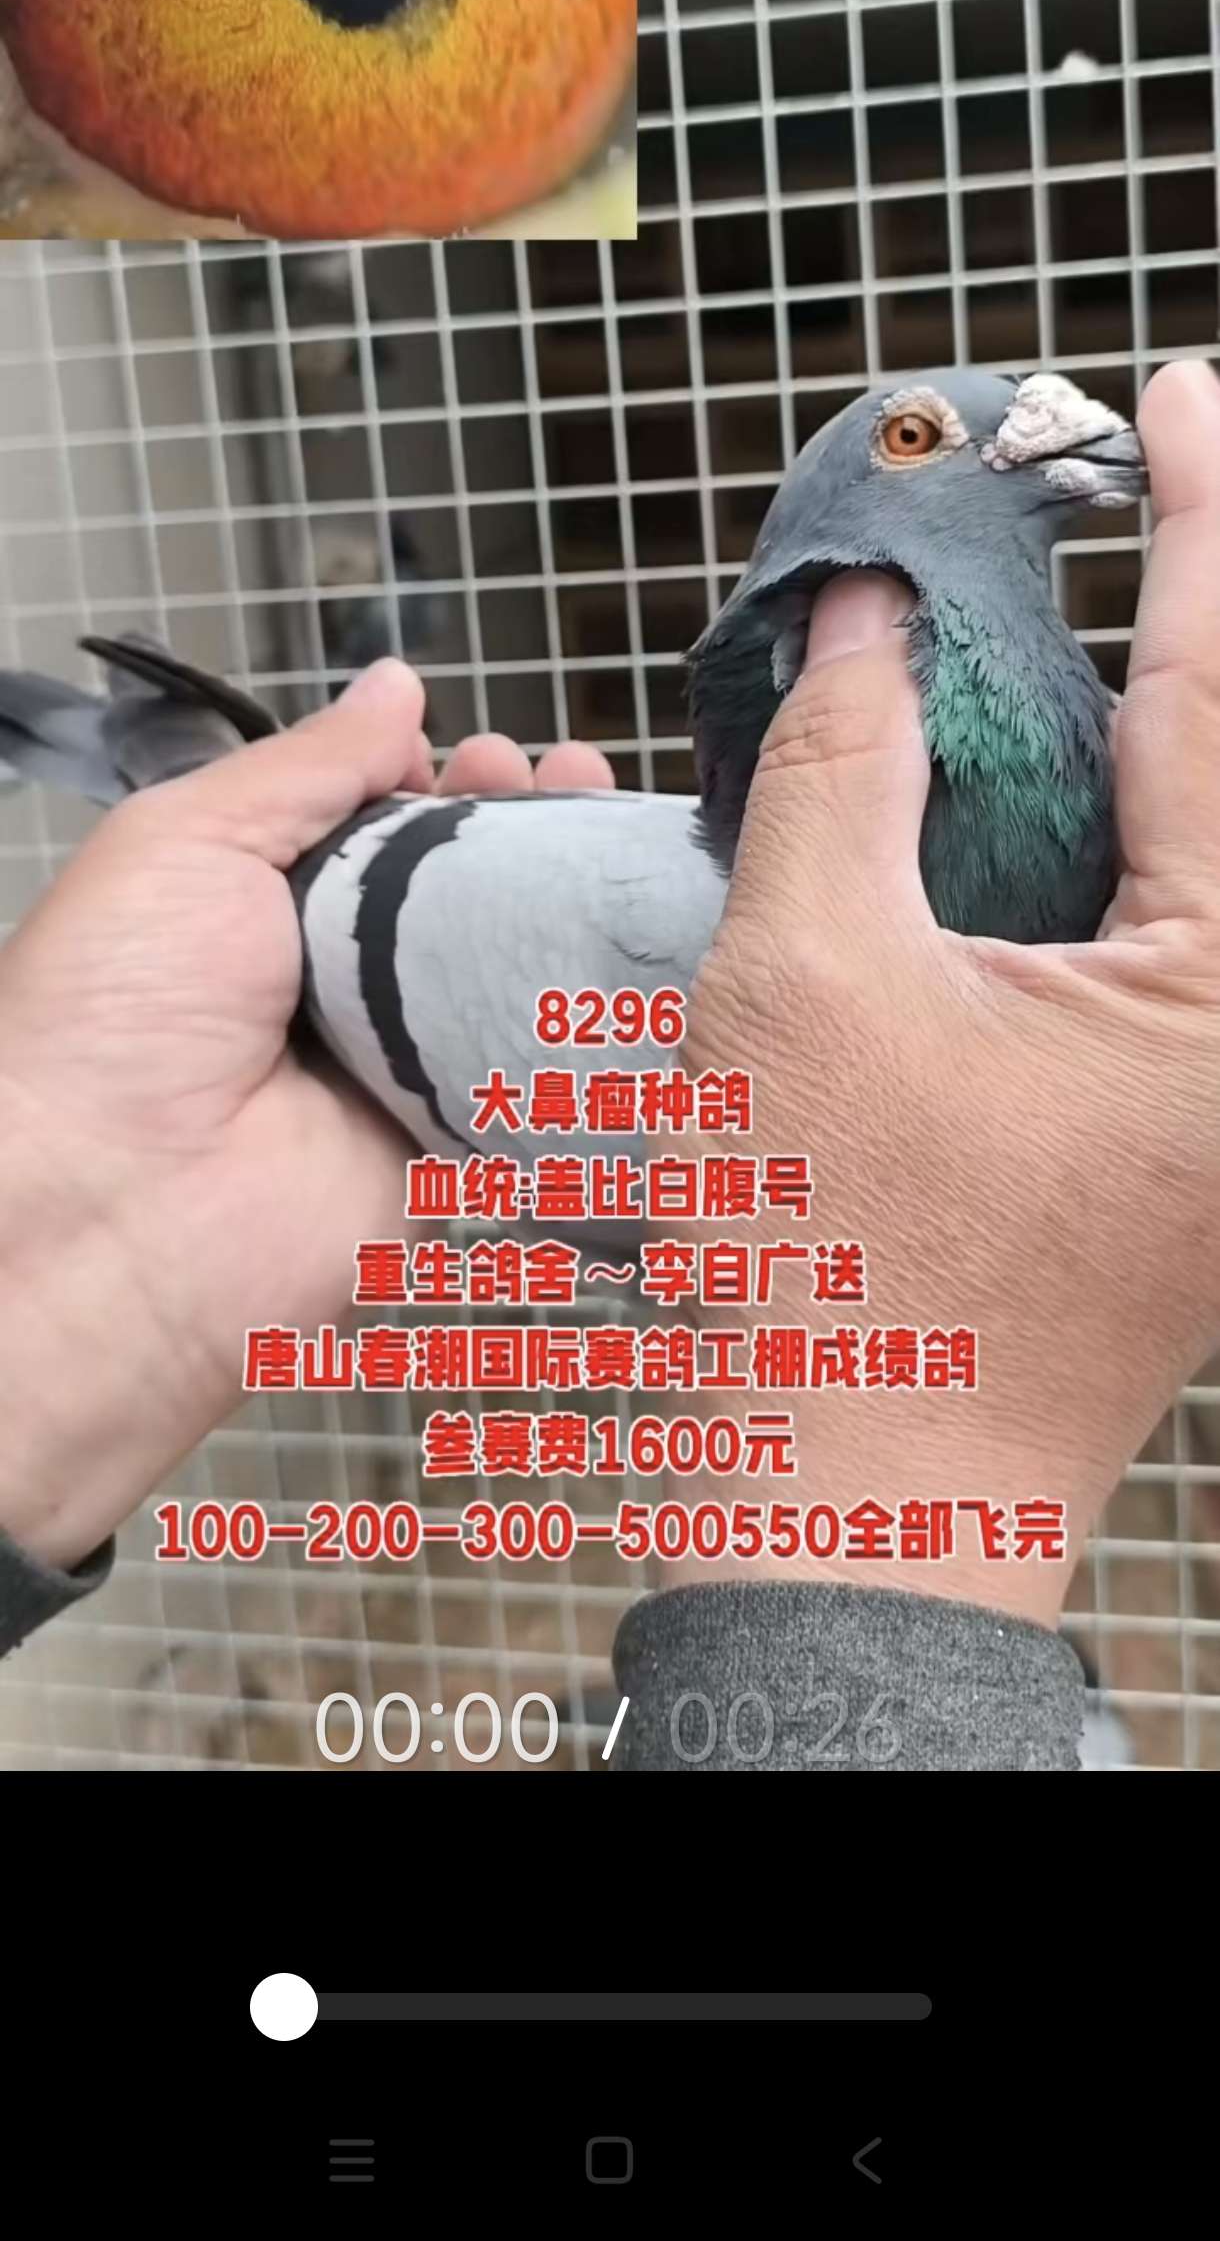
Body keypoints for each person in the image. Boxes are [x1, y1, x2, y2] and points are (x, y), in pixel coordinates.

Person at [3, 358, 1220, 1772]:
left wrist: (78, 1281)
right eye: (920, 435)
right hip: (354, 933)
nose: (1038, 433)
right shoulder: (725, 1001)